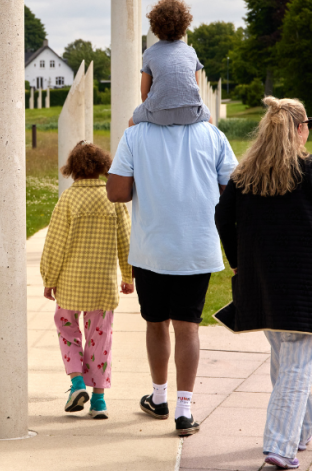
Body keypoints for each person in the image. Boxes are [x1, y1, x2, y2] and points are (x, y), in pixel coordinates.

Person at [107, 113, 238, 436]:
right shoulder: (212, 134)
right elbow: (232, 190)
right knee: (188, 327)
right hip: (196, 248)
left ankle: (159, 396)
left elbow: (117, 192)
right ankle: (184, 410)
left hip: (152, 247)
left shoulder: (136, 135)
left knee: (156, 323)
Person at [215, 97, 312, 470]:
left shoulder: (245, 175)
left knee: (286, 358)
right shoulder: (307, 171)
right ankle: (280, 445)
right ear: (300, 129)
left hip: (258, 283)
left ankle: (300, 432)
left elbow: (222, 218)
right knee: (296, 365)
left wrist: (238, 263)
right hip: (301, 286)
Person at [40, 141, 132, 419]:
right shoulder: (111, 199)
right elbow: (126, 240)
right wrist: (128, 276)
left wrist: (49, 277)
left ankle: (77, 382)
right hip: (102, 286)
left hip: (70, 284)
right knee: (100, 340)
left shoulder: (67, 200)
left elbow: (55, 243)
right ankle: (99, 401)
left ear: (73, 169)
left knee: (66, 327)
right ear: (103, 166)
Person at [130, 0, 211, 127]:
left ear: (155, 25)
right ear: (185, 24)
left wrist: (152, 111)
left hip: (159, 114)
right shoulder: (191, 52)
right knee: (210, 121)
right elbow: (195, 87)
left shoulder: (149, 53)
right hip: (190, 113)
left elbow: (144, 92)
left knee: (131, 122)